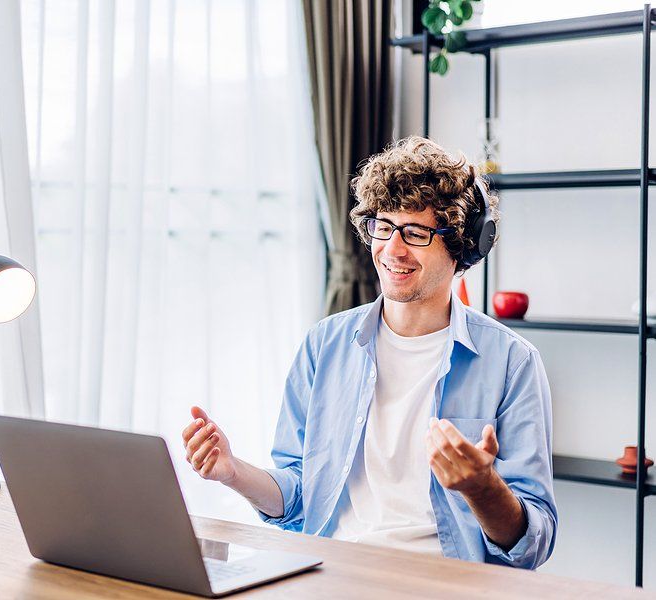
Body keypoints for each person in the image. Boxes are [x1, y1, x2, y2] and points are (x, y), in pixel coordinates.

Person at [180, 136, 556, 569]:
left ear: (462, 246)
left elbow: (532, 544)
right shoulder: (324, 345)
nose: (392, 249)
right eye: (384, 227)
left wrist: (482, 488)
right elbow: (302, 499)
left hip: (444, 583)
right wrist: (232, 472)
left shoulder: (513, 363)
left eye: (415, 233)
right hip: (331, 574)